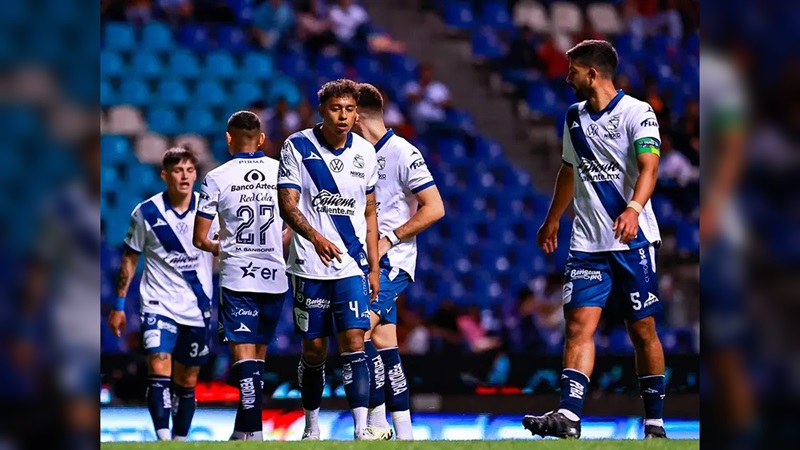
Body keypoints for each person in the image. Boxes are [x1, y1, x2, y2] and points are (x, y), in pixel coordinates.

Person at [523, 40, 667, 440]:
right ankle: (569, 416)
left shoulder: (638, 112)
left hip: (633, 241)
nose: (566, 77)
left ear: (593, 73)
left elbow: (650, 168)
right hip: (587, 243)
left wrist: (633, 209)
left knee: (642, 330)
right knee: (577, 327)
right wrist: (552, 219)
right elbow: (569, 170)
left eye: (572, 70)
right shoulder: (573, 117)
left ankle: (654, 423)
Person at [277, 79, 380, 440]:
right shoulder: (297, 146)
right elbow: (287, 205)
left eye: (350, 109)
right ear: (322, 110)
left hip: (351, 266)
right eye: (336, 109)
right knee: (315, 349)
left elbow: (370, 212)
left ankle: (361, 428)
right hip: (309, 266)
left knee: (355, 340)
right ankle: (312, 425)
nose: (343, 116)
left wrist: (374, 266)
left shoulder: (365, 152)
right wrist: (316, 238)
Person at [351, 83, 445, 440]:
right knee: (385, 342)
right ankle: (405, 434)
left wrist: (390, 239)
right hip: (364, 263)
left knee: (357, 333)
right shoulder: (356, 155)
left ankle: (376, 425)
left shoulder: (403, 152)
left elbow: (435, 207)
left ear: (356, 115)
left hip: (392, 262)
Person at [192, 111, 290, 441]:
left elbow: (200, 239)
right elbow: (294, 225)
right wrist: (276, 241)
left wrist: (221, 245)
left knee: (243, 356)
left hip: (239, 276)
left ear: (228, 139)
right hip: (274, 275)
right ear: (261, 139)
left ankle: (255, 433)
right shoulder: (282, 172)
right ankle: (241, 432)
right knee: (257, 357)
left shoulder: (216, 177)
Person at [108, 146, 215, 441]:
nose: (185, 176)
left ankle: (180, 439)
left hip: (197, 307)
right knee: (158, 363)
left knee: (188, 378)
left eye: (190, 170)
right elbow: (129, 260)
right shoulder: (146, 212)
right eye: (178, 170)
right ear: (164, 175)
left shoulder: (209, 211)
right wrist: (119, 304)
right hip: (158, 304)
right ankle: (163, 438)